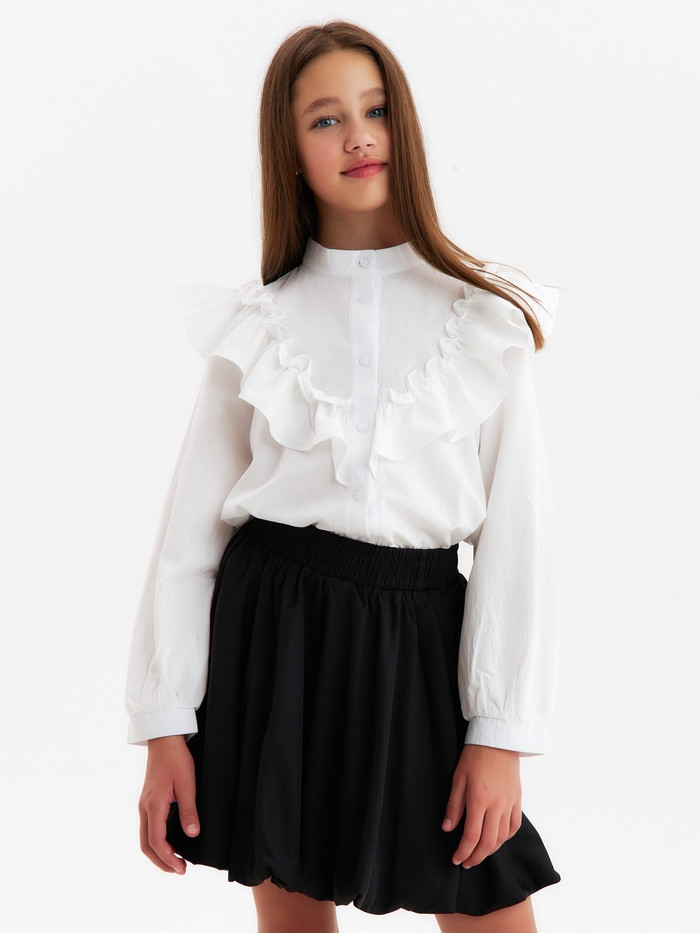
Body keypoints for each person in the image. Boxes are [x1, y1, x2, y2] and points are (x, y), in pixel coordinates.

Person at [124, 20, 562, 933]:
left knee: (487, 894)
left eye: (375, 110)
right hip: (273, 633)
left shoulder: (484, 318)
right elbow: (189, 539)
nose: (358, 135)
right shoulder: (260, 325)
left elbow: (517, 537)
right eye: (325, 120)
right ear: (288, 152)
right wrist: (166, 721)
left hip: (420, 640)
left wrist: (500, 732)